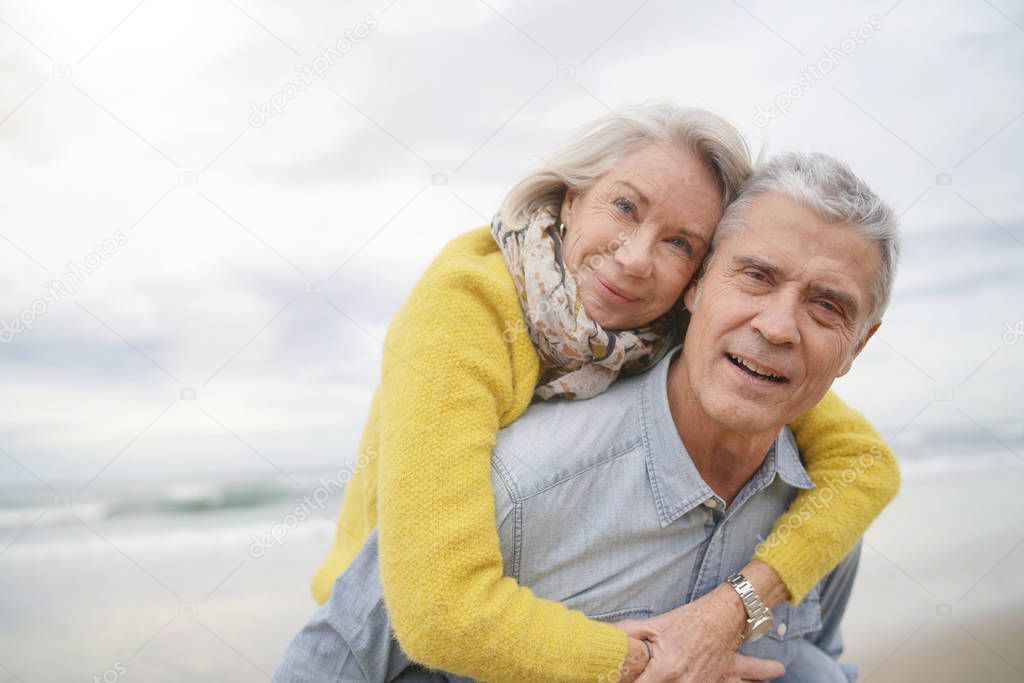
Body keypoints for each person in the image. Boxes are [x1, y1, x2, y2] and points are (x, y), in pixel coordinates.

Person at [298, 105, 899, 681]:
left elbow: (863, 463)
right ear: (571, 196)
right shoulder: (463, 312)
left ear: (698, 277)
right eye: (623, 206)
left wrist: (733, 610)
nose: (635, 259)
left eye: (680, 243)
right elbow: (436, 611)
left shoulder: (679, 326)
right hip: (392, 611)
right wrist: (653, 663)